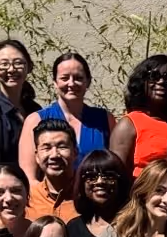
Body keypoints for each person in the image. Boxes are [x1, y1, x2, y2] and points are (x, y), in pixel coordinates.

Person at [20, 51, 114, 189]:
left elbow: (115, 169)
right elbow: (29, 178)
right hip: (52, 202)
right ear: (55, 83)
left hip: (94, 202)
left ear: (87, 82)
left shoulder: (105, 119)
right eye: (64, 78)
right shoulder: (35, 120)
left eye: (78, 78)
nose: (71, 83)